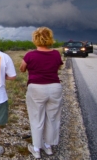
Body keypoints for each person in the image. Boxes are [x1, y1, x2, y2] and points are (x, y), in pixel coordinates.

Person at [19, 27, 63, 159]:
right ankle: (48, 146)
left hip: (36, 88)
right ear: (50, 38)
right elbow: (58, 67)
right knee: (52, 117)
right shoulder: (56, 54)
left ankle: (36, 148)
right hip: (55, 87)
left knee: (36, 118)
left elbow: (22, 69)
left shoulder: (30, 55)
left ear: (35, 39)